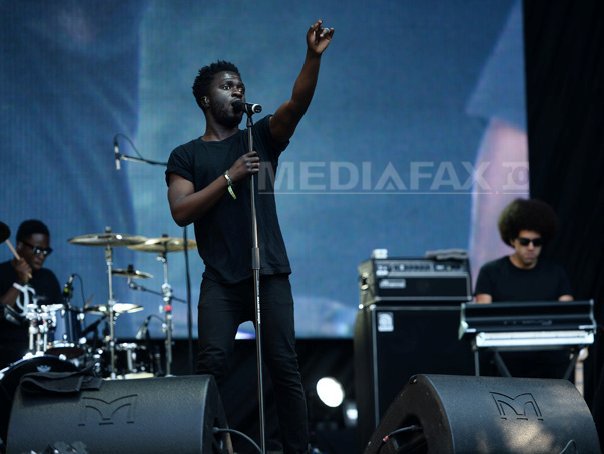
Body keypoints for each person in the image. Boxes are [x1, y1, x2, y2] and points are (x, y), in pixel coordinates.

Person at [165, 19, 334, 454]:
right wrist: (230, 176)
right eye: (227, 86)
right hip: (220, 280)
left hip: (269, 273)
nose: (237, 91)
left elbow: (297, 104)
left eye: (240, 86)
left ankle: (296, 450)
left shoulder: (259, 138)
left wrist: (312, 58)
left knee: (285, 368)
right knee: (211, 367)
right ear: (206, 99)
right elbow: (181, 211)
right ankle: (212, 446)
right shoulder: (186, 154)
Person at [474, 198, 573, 378]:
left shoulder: (556, 273)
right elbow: (483, 318)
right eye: (525, 241)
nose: (531, 247)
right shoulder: (490, 272)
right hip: (502, 360)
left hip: (548, 361)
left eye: (537, 242)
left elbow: (569, 316)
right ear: (513, 240)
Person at [0, 220, 62, 370]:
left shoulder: (48, 278)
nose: (42, 256)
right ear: (19, 245)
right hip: (5, 357)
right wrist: (20, 282)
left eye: (46, 251)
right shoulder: (2, 273)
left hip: (41, 357)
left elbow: (58, 322)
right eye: (37, 250)